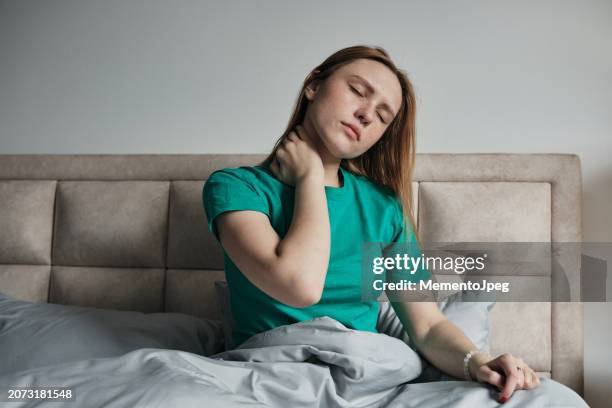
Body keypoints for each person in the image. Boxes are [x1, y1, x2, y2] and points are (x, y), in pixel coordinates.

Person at [203, 45, 539, 403]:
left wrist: (479, 362)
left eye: (381, 115)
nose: (365, 115)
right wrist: (310, 178)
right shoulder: (236, 188)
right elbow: (300, 286)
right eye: (358, 91)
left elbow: (427, 326)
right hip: (267, 374)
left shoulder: (384, 207)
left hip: (366, 379)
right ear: (313, 85)